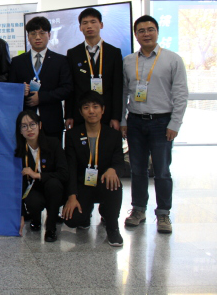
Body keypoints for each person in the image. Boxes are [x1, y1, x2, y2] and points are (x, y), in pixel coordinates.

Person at [121, 15, 188, 234]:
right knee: (137, 169)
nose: (146, 34)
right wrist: (123, 120)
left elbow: (181, 94)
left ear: (157, 32)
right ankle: (138, 210)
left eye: (150, 29)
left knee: (162, 171)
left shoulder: (172, 59)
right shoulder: (129, 61)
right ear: (136, 35)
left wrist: (175, 123)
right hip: (135, 122)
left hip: (162, 122)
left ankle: (163, 214)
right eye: (141, 30)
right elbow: (124, 93)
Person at [62, 91, 124, 247]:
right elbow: (71, 167)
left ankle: (112, 227)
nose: (91, 111)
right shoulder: (72, 135)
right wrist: (72, 196)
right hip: (83, 184)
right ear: (80, 112)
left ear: (102, 110)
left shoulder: (113, 135)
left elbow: (119, 162)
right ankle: (86, 213)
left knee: (114, 183)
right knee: (72, 220)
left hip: (104, 182)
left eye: (95, 107)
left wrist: (113, 169)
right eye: (86, 107)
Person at [9, 16, 73, 139]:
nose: (37, 37)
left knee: (52, 151)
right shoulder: (17, 62)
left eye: (42, 33)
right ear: (28, 37)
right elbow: (10, 89)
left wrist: (42, 97)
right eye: (33, 33)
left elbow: (67, 89)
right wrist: (20, 90)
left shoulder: (60, 61)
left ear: (49, 35)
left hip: (52, 121)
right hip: (25, 122)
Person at [65, 8, 123, 131]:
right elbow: (71, 87)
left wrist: (116, 117)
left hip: (106, 113)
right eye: (85, 23)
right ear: (80, 27)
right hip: (81, 113)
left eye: (93, 22)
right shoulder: (73, 53)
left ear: (101, 25)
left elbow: (117, 87)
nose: (89, 26)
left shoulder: (114, 53)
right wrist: (69, 115)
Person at [15, 110, 68, 242]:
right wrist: (20, 215)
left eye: (32, 124)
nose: (29, 129)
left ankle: (51, 227)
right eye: (24, 126)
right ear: (20, 130)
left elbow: (63, 173)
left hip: (52, 186)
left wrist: (37, 175)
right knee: (32, 201)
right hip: (32, 189)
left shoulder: (53, 144)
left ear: (40, 125)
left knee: (54, 184)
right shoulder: (18, 151)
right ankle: (35, 219)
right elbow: (17, 184)